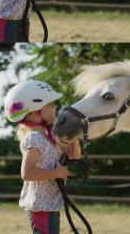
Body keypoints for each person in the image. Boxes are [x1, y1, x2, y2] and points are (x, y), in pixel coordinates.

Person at [5, 80, 80, 234]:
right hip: (41, 206)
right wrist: (57, 173)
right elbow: (27, 173)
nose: (55, 108)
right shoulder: (34, 139)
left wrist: (75, 140)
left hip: (50, 205)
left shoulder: (50, 137)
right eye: (51, 104)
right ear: (35, 112)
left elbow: (74, 156)